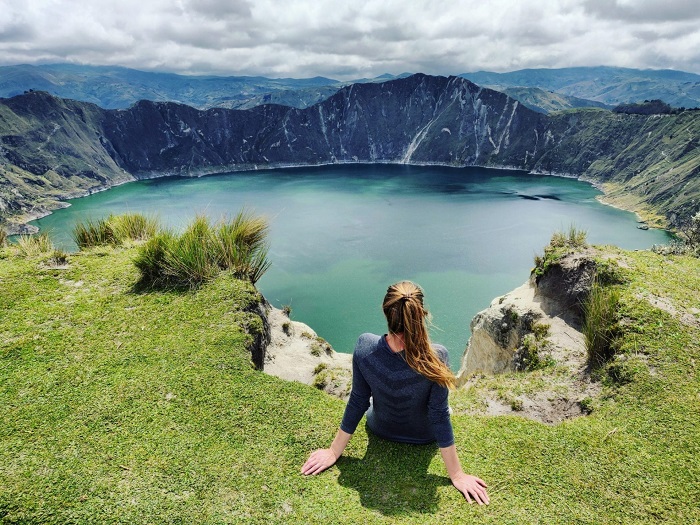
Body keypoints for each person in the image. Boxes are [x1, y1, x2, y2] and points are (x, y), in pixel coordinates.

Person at [301, 281, 490, 505]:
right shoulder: (437, 357)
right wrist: (457, 476)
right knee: (443, 407)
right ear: (421, 314)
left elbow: (358, 401)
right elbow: (439, 416)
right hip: (424, 437)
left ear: (386, 311)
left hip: (380, 428)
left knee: (374, 399)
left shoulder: (364, 346)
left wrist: (333, 451)